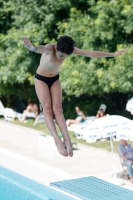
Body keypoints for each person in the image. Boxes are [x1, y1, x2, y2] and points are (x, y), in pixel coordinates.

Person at [24, 35, 128, 157]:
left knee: (58, 108)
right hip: (41, 79)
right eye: (61, 55)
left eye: (65, 57)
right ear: (56, 48)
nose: (62, 58)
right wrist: (31, 47)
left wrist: (113, 54)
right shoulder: (50, 48)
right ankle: (57, 140)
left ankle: (66, 139)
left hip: (54, 79)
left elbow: (90, 53)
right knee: (47, 109)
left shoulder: (69, 50)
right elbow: (39, 48)